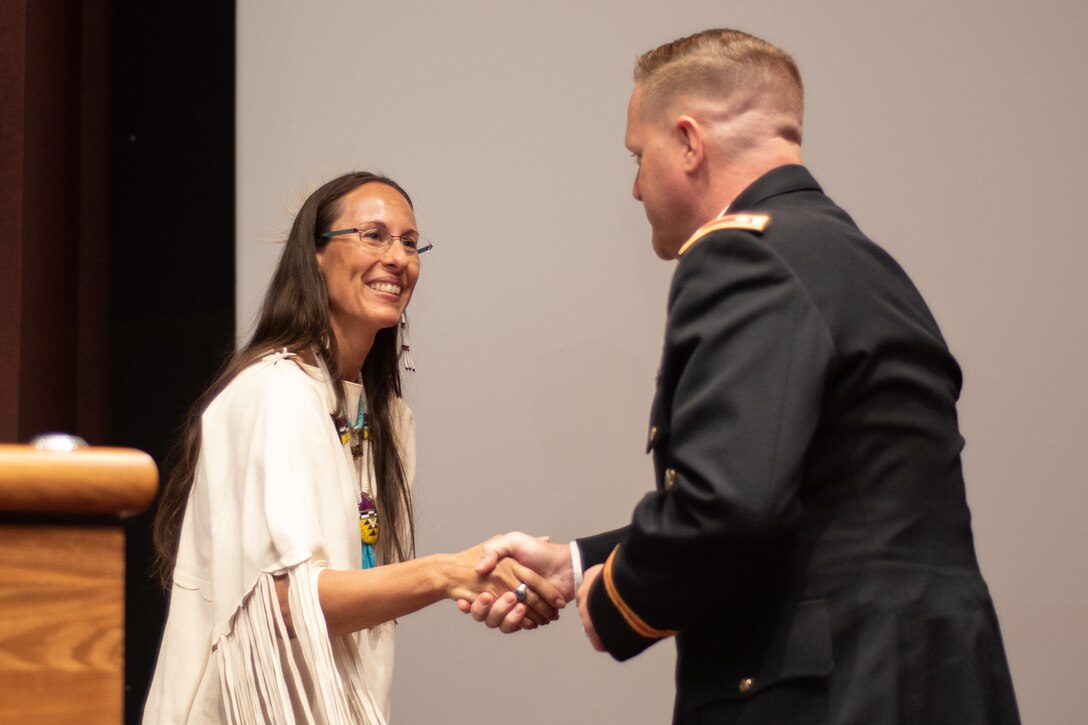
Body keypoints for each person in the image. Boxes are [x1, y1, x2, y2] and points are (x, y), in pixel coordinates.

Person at [466, 29, 1020, 724]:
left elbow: (730, 506)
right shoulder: (860, 264)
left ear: (691, 143)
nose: (636, 186)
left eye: (641, 156)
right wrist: (577, 563)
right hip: (930, 678)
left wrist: (614, 602)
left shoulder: (741, 258)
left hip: (822, 693)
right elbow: (823, 510)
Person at [143, 171, 563, 724]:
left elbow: (359, 595)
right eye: (374, 235)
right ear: (315, 254)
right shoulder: (274, 392)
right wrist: (445, 573)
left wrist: (475, 576)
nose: (398, 258)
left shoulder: (386, 418)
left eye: (410, 243)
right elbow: (287, 602)